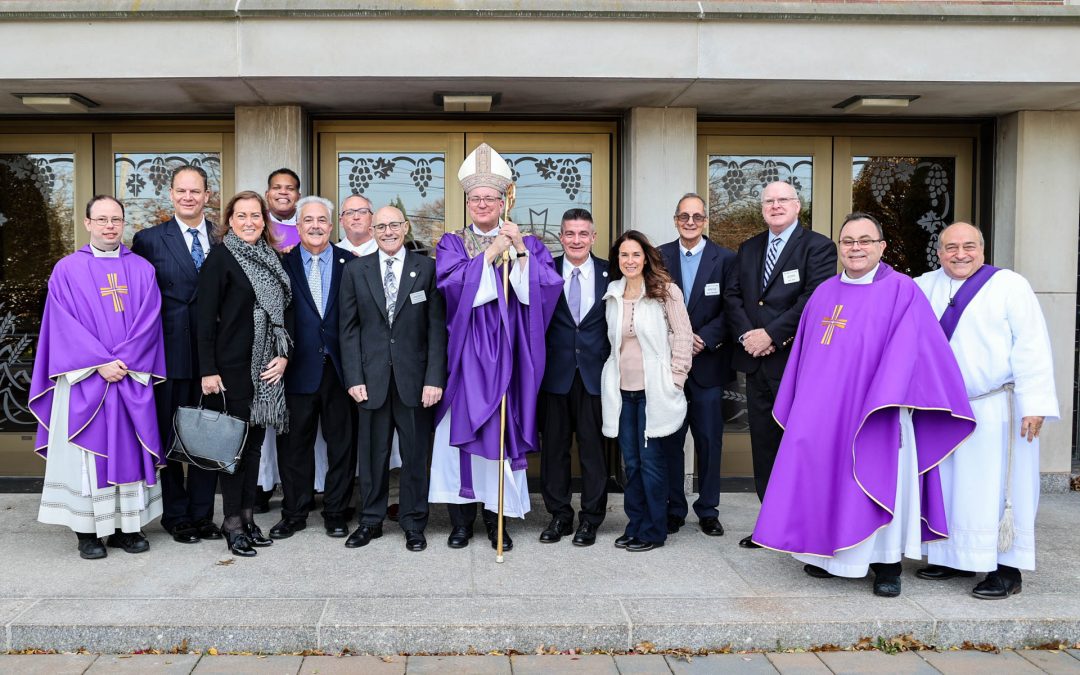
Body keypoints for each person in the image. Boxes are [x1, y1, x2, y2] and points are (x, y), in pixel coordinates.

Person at [751, 213, 976, 597]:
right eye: (848, 241)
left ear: (881, 247)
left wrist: (877, 398)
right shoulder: (823, 293)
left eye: (865, 241)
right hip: (824, 415)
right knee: (824, 478)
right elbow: (805, 357)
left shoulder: (901, 291)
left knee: (875, 477)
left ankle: (886, 564)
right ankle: (827, 555)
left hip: (876, 410)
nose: (856, 248)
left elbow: (913, 354)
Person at [430, 142, 563, 551]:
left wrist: (519, 250)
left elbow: (543, 291)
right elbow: (451, 288)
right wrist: (491, 254)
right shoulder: (451, 242)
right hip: (466, 356)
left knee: (500, 437)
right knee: (460, 437)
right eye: (475, 198)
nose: (482, 204)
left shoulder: (529, 242)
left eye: (490, 197)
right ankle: (460, 522)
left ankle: (496, 521)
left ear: (503, 200)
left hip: (508, 355)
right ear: (467, 202)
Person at [915, 222, 1058, 599]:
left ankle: (1006, 569)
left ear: (982, 248)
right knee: (950, 487)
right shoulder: (922, 286)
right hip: (943, 409)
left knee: (999, 489)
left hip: (997, 408)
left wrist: (1035, 404)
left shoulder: (1010, 285)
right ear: (938, 251)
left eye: (968, 246)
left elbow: (1032, 345)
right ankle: (950, 556)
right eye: (950, 247)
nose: (959, 254)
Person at [31, 195, 166, 559]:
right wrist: (98, 363)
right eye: (102, 219)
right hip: (85, 379)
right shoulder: (67, 269)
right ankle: (87, 531)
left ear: (124, 224)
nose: (110, 226)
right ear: (88, 223)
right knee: (84, 457)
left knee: (129, 449)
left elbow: (150, 320)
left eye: (117, 219)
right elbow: (61, 325)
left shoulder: (142, 269)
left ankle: (127, 527)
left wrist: (122, 362)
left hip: (127, 375)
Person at [724, 181, 837, 549]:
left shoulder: (818, 247)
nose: (775, 206)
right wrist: (748, 336)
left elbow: (812, 299)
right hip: (756, 363)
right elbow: (735, 295)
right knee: (764, 444)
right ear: (761, 208)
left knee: (798, 444)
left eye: (782, 200)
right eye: (769, 201)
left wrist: (771, 335)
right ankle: (769, 524)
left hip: (793, 362)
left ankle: (804, 525)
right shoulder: (750, 247)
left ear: (797, 205)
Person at [340, 206, 448, 552]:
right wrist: (353, 377)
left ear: (405, 228)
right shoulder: (357, 270)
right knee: (372, 456)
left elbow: (436, 330)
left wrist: (434, 378)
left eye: (394, 225)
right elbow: (349, 329)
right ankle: (370, 521)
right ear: (372, 230)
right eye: (381, 226)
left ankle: (414, 523)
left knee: (416, 456)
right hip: (370, 380)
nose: (387, 231)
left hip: (415, 382)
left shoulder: (426, 268)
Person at [198, 191, 292, 557]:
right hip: (233, 369)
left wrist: (284, 357)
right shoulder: (221, 258)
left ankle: (249, 518)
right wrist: (208, 370)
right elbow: (203, 318)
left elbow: (287, 313)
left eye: (256, 215)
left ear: (264, 221)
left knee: (253, 448)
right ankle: (231, 522)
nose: (249, 222)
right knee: (233, 450)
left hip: (268, 369)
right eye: (242, 216)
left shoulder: (272, 258)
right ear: (230, 221)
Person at [131, 165, 222, 545]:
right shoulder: (149, 240)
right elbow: (137, 300)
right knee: (167, 437)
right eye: (181, 191)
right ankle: (176, 515)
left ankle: (202, 515)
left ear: (207, 195)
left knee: (207, 437)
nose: (188, 197)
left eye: (195, 191)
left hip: (215, 358)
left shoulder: (224, 237)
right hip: (167, 355)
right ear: (171, 195)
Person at [600, 230, 693, 553]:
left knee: (652, 463)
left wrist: (676, 380)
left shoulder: (666, 292)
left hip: (655, 392)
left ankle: (654, 530)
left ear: (646, 257)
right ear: (618, 260)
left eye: (635, 254)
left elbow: (683, 337)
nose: (629, 261)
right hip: (623, 394)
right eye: (624, 255)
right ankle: (635, 524)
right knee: (632, 464)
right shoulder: (613, 293)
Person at [271, 196, 356, 540]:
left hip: (341, 372)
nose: (316, 226)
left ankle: (336, 512)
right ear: (298, 226)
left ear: (332, 226)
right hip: (295, 371)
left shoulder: (352, 263)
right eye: (309, 220)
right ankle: (294, 512)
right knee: (293, 448)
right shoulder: (281, 265)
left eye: (322, 220)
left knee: (342, 446)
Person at [658, 193, 736, 537]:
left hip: (708, 364)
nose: (691, 222)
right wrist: (678, 338)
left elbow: (731, 307)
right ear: (676, 219)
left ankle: (708, 509)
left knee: (708, 440)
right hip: (670, 367)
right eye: (684, 216)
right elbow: (651, 303)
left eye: (697, 217)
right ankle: (674, 508)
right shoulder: (659, 256)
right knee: (671, 440)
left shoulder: (726, 259)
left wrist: (702, 337)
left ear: (705, 221)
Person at [537, 208, 611, 547]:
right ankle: (560, 516)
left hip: (596, 376)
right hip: (554, 375)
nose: (576, 240)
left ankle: (591, 519)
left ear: (593, 237)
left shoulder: (612, 274)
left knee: (594, 451)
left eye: (583, 234)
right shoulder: (543, 270)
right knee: (554, 450)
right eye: (570, 233)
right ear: (561, 237)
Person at [266, 168, 302, 251]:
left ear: (298, 197)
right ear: (267, 195)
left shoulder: (309, 224)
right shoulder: (257, 222)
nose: (283, 192)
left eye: (290, 188)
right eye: (276, 187)